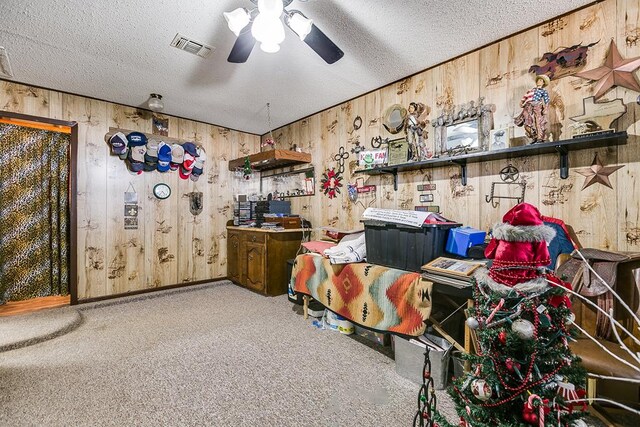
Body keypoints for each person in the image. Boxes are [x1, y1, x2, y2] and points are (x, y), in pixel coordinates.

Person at [514, 74, 550, 143]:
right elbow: (525, 97)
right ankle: (534, 136)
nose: (538, 82)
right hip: (528, 106)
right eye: (538, 80)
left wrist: (546, 108)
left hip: (537, 105)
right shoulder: (531, 90)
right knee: (526, 123)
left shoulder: (543, 91)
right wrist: (522, 102)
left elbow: (546, 100)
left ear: (543, 83)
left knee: (538, 121)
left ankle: (540, 137)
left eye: (540, 80)